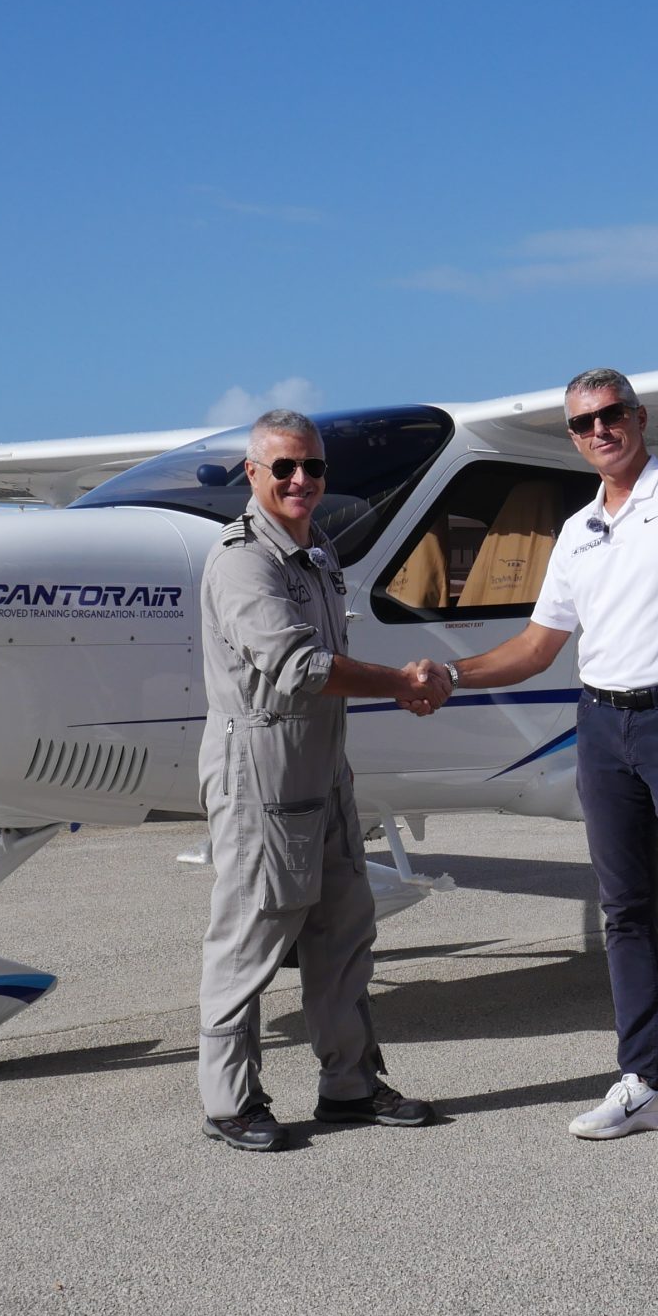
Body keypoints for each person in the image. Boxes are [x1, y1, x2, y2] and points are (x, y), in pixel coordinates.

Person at [422, 368, 658, 1161]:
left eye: (612, 415)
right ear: (574, 437)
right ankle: (646, 1084)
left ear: (639, 418)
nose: (600, 431)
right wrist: (451, 674)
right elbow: (538, 646)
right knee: (622, 912)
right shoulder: (579, 530)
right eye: (583, 424)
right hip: (601, 724)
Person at [196, 409, 450, 1152]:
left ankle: (350, 1084)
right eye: (284, 468)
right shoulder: (244, 560)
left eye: (313, 467)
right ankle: (229, 1101)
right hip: (263, 770)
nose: (302, 480)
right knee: (250, 937)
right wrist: (403, 683)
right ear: (254, 475)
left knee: (344, 930)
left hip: (323, 766)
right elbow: (300, 667)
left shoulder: (317, 550)